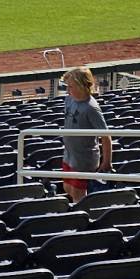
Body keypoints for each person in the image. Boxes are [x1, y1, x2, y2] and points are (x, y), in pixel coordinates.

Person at [59, 67, 113, 204]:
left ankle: (80, 218)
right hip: (69, 154)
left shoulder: (91, 108)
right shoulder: (69, 100)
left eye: (71, 86)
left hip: (83, 158)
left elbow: (105, 136)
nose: (68, 90)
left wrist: (106, 162)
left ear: (82, 85)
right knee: (67, 187)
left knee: (78, 194)